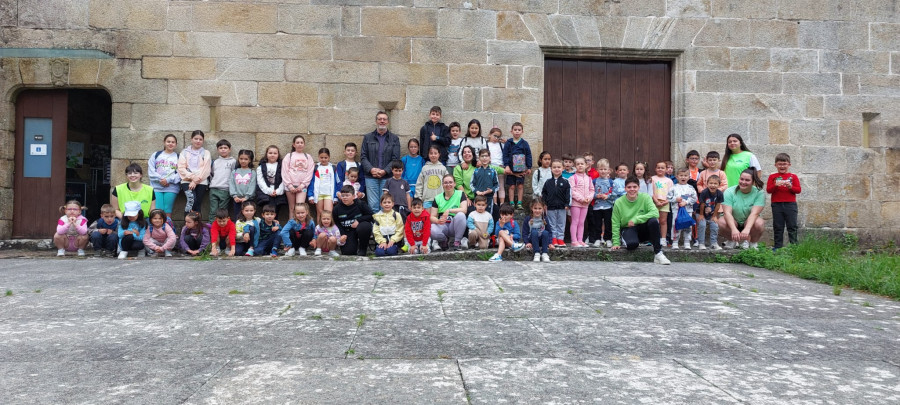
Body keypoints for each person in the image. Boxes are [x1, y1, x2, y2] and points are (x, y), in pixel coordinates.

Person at [611, 176, 671, 265]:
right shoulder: (619, 202)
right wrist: (615, 242)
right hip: (628, 228)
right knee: (632, 245)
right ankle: (627, 239)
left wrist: (636, 219)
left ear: (638, 187)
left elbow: (655, 213)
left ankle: (658, 253)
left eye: (634, 187)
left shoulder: (645, 197)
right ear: (625, 188)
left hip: (643, 227)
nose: (632, 189)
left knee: (653, 221)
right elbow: (615, 222)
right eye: (629, 187)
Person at [361, 111, 401, 212]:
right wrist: (371, 169)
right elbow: (363, 157)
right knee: (373, 205)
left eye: (384, 119)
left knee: (386, 204)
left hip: (387, 177)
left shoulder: (394, 139)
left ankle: (385, 227)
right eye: (380, 119)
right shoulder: (368, 138)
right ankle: (375, 227)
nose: (382, 121)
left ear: (387, 122)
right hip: (371, 177)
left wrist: (385, 171)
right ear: (376, 121)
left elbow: (395, 158)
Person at [717, 168, 766, 250]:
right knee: (720, 222)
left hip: (749, 222)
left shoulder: (759, 193)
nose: (743, 182)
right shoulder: (729, 191)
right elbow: (727, 213)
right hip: (733, 221)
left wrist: (747, 229)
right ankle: (732, 240)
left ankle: (752, 242)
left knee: (759, 223)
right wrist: (733, 229)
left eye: (747, 180)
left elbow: (754, 213)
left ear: (753, 182)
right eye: (741, 179)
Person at [767, 153, 802, 250]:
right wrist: (776, 185)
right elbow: (769, 190)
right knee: (778, 226)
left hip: (790, 204)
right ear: (775, 165)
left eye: (784, 164)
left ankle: (794, 246)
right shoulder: (772, 177)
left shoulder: (793, 176)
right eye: (780, 164)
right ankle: (777, 247)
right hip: (776, 204)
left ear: (789, 165)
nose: (782, 166)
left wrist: (791, 187)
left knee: (792, 226)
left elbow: (798, 190)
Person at [429, 174, 469, 251]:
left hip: (454, 225)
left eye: (450, 182)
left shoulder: (460, 194)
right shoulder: (437, 198)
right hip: (443, 225)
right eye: (446, 183)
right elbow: (432, 216)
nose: (448, 185)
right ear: (443, 184)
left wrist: (449, 210)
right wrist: (437, 221)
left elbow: (464, 209)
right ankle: (444, 240)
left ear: (454, 184)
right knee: (431, 229)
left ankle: (457, 242)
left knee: (461, 215)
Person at [177, 130, 212, 216]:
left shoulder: (206, 153)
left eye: (200, 139)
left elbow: (206, 169)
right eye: (196, 138)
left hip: (201, 181)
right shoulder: (184, 152)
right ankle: (187, 224)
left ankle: (197, 226)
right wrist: (192, 177)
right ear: (191, 139)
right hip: (186, 180)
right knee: (191, 200)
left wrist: (195, 181)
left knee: (198, 203)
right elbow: (181, 168)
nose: (198, 141)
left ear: (203, 141)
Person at [334, 185, 375, 256]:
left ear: (353, 196)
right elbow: (336, 223)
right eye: (343, 196)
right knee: (348, 252)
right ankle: (354, 245)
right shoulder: (337, 209)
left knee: (365, 226)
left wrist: (359, 220)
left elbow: (371, 215)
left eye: (347, 195)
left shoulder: (360, 204)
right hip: (347, 231)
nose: (345, 198)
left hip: (359, 228)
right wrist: (342, 234)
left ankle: (362, 248)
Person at [147, 134, 181, 218]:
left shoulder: (178, 157)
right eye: (168, 141)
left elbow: (181, 173)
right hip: (157, 187)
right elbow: (151, 170)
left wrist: (168, 180)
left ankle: (167, 228)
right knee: (158, 210)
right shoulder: (156, 155)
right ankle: (158, 230)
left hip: (171, 187)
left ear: (176, 144)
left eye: (173, 142)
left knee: (167, 210)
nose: (170, 144)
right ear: (164, 142)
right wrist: (160, 180)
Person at [282, 135, 315, 218]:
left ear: (304, 144)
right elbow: (284, 171)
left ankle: (300, 228)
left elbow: (310, 172)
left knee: (300, 208)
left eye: (301, 142)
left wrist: (302, 185)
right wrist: (290, 185)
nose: (300, 144)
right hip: (290, 187)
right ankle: (292, 228)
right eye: (297, 143)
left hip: (302, 187)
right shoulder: (289, 156)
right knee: (292, 208)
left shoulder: (308, 157)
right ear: (294, 145)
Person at [503, 122, 532, 210]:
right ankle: (511, 202)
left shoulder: (524, 143)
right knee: (511, 186)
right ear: (511, 131)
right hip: (511, 168)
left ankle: (519, 203)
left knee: (520, 185)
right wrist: (506, 165)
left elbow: (528, 155)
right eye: (515, 130)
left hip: (521, 168)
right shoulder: (508, 142)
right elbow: (505, 155)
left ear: (522, 132)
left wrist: (529, 167)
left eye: (519, 130)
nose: (517, 132)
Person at [667, 168, 698, 250]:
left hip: (688, 210)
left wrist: (686, 202)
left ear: (689, 177)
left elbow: (694, 198)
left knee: (688, 226)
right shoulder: (673, 188)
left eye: (685, 175)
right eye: (681, 175)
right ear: (677, 177)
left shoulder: (691, 188)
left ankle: (687, 242)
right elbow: (668, 198)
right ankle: (675, 241)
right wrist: (675, 199)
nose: (683, 177)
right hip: (676, 210)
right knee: (675, 225)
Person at [206, 139, 235, 223]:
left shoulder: (233, 161)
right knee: (213, 210)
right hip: (214, 189)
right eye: (220, 148)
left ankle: (222, 227)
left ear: (229, 149)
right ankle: (211, 227)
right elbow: (211, 174)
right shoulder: (215, 162)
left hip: (225, 190)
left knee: (222, 211)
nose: (223, 149)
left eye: (225, 147)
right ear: (217, 150)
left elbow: (234, 175)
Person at [542, 159, 570, 248]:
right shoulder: (548, 182)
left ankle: (560, 239)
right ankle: (553, 238)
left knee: (561, 223)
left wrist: (567, 204)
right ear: (551, 168)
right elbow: (544, 193)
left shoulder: (565, 182)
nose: (556, 169)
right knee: (551, 223)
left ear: (562, 168)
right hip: (550, 206)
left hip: (562, 206)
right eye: (554, 167)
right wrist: (545, 203)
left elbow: (568, 194)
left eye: (559, 167)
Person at [568, 157, 594, 248]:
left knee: (582, 222)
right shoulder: (572, 178)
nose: (580, 165)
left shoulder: (589, 178)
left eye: (582, 164)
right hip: (576, 203)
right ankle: (574, 241)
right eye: (578, 164)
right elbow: (572, 191)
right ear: (575, 166)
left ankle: (580, 240)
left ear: (586, 165)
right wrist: (581, 199)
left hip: (585, 204)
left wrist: (588, 198)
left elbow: (592, 190)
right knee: (575, 221)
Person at [308, 147, 338, 225]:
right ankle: (319, 232)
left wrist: (335, 196)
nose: (323, 159)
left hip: (329, 194)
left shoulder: (333, 168)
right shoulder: (316, 168)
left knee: (328, 213)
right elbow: (312, 182)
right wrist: (310, 195)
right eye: (321, 157)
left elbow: (335, 183)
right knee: (320, 214)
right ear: (318, 157)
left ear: (329, 157)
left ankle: (329, 232)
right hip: (318, 194)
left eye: (326, 157)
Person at [255, 145, 287, 217]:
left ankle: (275, 227)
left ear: (278, 155)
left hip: (278, 193)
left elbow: (285, 179)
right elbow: (260, 181)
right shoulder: (261, 167)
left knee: (275, 214)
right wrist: (269, 191)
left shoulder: (282, 166)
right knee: (267, 213)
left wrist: (278, 191)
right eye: (270, 153)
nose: (272, 155)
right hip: (265, 194)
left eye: (275, 153)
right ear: (266, 154)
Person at [591, 159, 614, 248]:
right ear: (597, 170)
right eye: (601, 169)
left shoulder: (611, 182)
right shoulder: (594, 181)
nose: (603, 171)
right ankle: (597, 238)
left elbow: (614, 194)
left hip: (608, 206)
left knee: (608, 223)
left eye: (605, 169)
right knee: (597, 223)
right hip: (597, 206)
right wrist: (597, 196)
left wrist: (607, 196)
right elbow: (591, 193)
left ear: (608, 170)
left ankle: (608, 239)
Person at [373, 192, 405, 257]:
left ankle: (394, 248)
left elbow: (400, 229)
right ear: (381, 204)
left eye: (389, 202)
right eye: (384, 203)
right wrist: (382, 241)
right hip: (382, 239)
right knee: (379, 253)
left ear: (393, 204)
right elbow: (376, 231)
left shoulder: (396, 215)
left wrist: (393, 240)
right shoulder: (377, 216)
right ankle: (380, 248)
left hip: (393, 240)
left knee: (391, 252)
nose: (387, 204)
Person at [697, 175, 723, 250]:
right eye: (711, 183)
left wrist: (714, 216)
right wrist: (701, 215)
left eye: (715, 184)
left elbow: (718, 206)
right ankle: (701, 243)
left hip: (711, 213)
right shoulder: (704, 192)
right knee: (702, 224)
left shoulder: (719, 194)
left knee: (715, 225)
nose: (713, 185)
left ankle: (713, 243)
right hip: (701, 212)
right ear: (707, 184)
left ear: (719, 185)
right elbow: (702, 204)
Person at [651, 161, 674, 248]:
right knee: (655, 221)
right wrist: (656, 201)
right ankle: (654, 238)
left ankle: (663, 238)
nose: (660, 169)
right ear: (655, 169)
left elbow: (672, 194)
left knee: (663, 221)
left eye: (662, 168)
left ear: (666, 169)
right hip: (654, 202)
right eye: (658, 168)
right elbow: (651, 191)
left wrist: (666, 201)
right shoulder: (652, 179)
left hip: (665, 202)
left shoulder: (669, 181)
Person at [229, 149, 256, 220]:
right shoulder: (234, 172)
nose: (243, 161)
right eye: (241, 159)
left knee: (248, 217)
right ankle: (237, 230)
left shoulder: (252, 172)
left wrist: (247, 197)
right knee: (237, 217)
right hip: (237, 199)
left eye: (246, 159)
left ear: (250, 160)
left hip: (248, 200)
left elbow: (252, 185)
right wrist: (234, 196)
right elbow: (231, 184)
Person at [524, 198, 552, 262]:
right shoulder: (528, 219)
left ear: (543, 208)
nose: (537, 210)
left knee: (545, 232)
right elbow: (525, 232)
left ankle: (545, 253)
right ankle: (537, 253)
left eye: (539, 208)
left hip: (542, 240)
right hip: (532, 239)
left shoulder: (545, 219)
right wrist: (527, 242)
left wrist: (550, 243)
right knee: (534, 231)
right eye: (535, 208)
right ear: (532, 208)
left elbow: (549, 232)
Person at [486, 127, 506, 205]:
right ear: (489, 135)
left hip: (500, 167)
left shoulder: (501, 145)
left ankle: (502, 203)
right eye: (494, 135)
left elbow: (508, 151)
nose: (496, 138)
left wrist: (507, 142)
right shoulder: (486, 144)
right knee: (492, 186)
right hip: (490, 167)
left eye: (498, 137)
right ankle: (494, 203)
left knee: (501, 186)